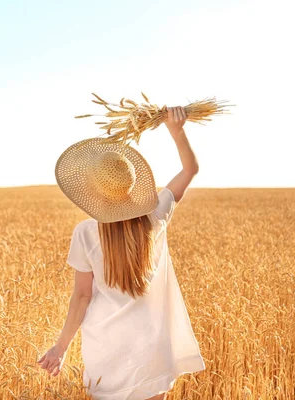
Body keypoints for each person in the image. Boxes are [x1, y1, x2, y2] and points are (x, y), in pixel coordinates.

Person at [38, 106, 206, 399]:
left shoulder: (86, 233)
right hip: (151, 346)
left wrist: (60, 347)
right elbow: (190, 170)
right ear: (132, 185)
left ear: (91, 191)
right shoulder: (156, 215)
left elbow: (82, 296)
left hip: (105, 347)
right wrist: (176, 131)